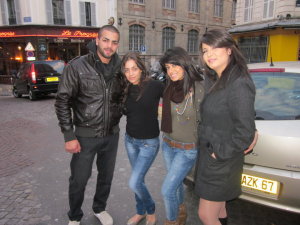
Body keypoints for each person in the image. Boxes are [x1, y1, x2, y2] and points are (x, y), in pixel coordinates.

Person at [55, 25, 124, 225]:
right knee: (79, 180)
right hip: (85, 136)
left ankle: (100, 208)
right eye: (106, 40)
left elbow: (125, 96)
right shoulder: (77, 66)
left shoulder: (121, 67)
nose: (109, 46)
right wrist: (69, 135)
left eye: (114, 42)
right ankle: (75, 216)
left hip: (111, 134)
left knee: (106, 177)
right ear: (97, 40)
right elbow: (62, 101)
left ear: (117, 44)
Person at [195, 29, 256, 225]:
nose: (209, 54)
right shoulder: (216, 78)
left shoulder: (239, 82)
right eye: (205, 50)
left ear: (229, 49)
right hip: (212, 156)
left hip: (222, 159)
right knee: (219, 208)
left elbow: (244, 132)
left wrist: (218, 154)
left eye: (215, 47)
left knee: (206, 214)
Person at [159, 47, 205, 225]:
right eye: (168, 68)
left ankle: (171, 221)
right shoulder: (170, 86)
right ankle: (181, 212)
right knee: (176, 184)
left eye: (174, 66)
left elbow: (208, 119)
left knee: (167, 190)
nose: (171, 71)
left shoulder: (198, 88)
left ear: (184, 63)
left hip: (187, 150)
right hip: (168, 144)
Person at [121, 52, 164, 225]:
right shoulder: (125, 87)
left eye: (134, 69)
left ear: (141, 68)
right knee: (138, 180)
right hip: (130, 141)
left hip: (149, 143)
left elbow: (176, 93)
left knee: (134, 181)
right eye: (127, 70)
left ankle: (151, 210)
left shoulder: (154, 86)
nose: (130, 73)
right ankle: (140, 211)